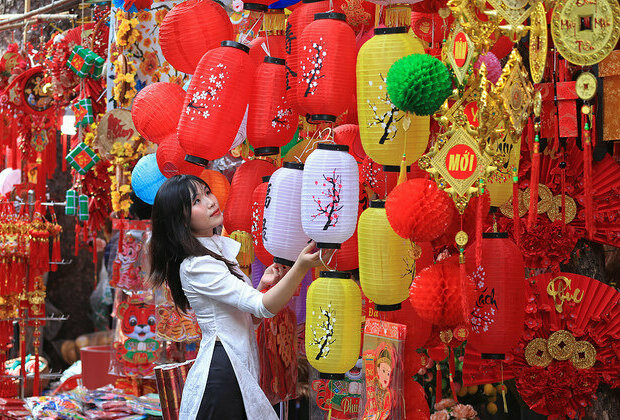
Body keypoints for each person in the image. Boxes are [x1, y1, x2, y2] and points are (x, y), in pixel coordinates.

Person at [149, 174, 332, 420]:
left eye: (207, 192)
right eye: (196, 201)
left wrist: (262, 286)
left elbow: (249, 317)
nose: (211, 201)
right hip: (223, 370)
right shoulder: (197, 265)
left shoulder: (215, 253)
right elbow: (263, 308)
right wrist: (300, 266)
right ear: (179, 218)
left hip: (234, 364)